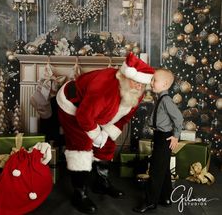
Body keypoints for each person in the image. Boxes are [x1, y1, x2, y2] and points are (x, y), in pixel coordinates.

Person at [56, 52, 155, 214]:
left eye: (142, 84)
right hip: (73, 106)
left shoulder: (138, 90)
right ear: (124, 77)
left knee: (108, 144)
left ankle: (101, 183)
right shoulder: (104, 89)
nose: (139, 87)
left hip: (99, 112)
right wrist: (96, 135)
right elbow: (84, 116)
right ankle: (79, 194)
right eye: (135, 82)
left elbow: (124, 117)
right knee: (81, 146)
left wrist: (106, 134)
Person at [133, 68, 184, 213]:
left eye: (155, 80)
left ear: (165, 84)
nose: (152, 82)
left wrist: (176, 135)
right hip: (159, 136)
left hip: (164, 137)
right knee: (164, 168)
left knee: (156, 170)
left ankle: (150, 201)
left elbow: (178, 118)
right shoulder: (160, 98)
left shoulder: (166, 100)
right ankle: (165, 197)